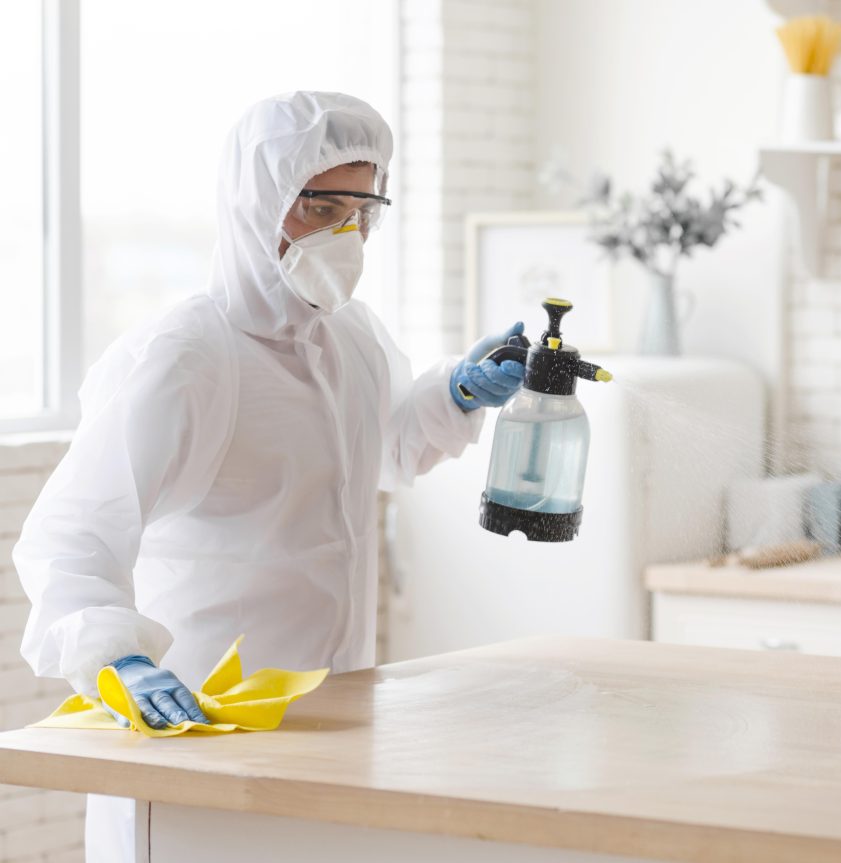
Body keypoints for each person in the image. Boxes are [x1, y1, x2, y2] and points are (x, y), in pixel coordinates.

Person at [13, 91, 525, 861]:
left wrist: (451, 391)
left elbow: (383, 450)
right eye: (321, 206)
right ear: (260, 204)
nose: (346, 233)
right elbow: (73, 534)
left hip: (331, 718)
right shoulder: (189, 356)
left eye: (364, 208)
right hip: (196, 725)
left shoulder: (346, 337)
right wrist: (115, 656)